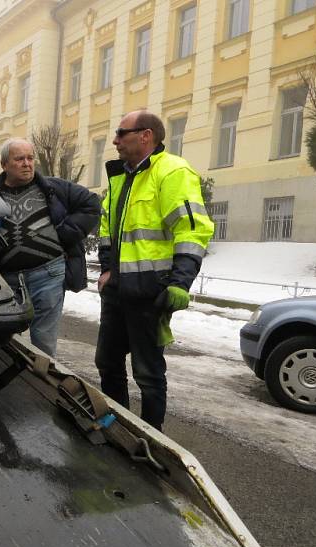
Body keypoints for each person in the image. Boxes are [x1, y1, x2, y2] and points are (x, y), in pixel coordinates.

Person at [95, 111, 214, 431]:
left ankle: (151, 436)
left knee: (148, 374)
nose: (115, 140)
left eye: (122, 133)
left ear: (146, 135)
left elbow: (192, 230)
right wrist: (107, 269)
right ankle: (117, 426)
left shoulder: (173, 171)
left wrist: (180, 283)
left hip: (151, 292)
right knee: (107, 363)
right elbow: (107, 229)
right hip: (118, 291)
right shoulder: (120, 176)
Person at [0, 138, 99, 356]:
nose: (27, 163)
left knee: (43, 346)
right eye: (19, 159)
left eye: (30, 158)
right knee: (2, 343)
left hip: (48, 275)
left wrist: (65, 233)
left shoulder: (53, 188)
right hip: (6, 282)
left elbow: (92, 204)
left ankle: (43, 387)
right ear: (4, 165)